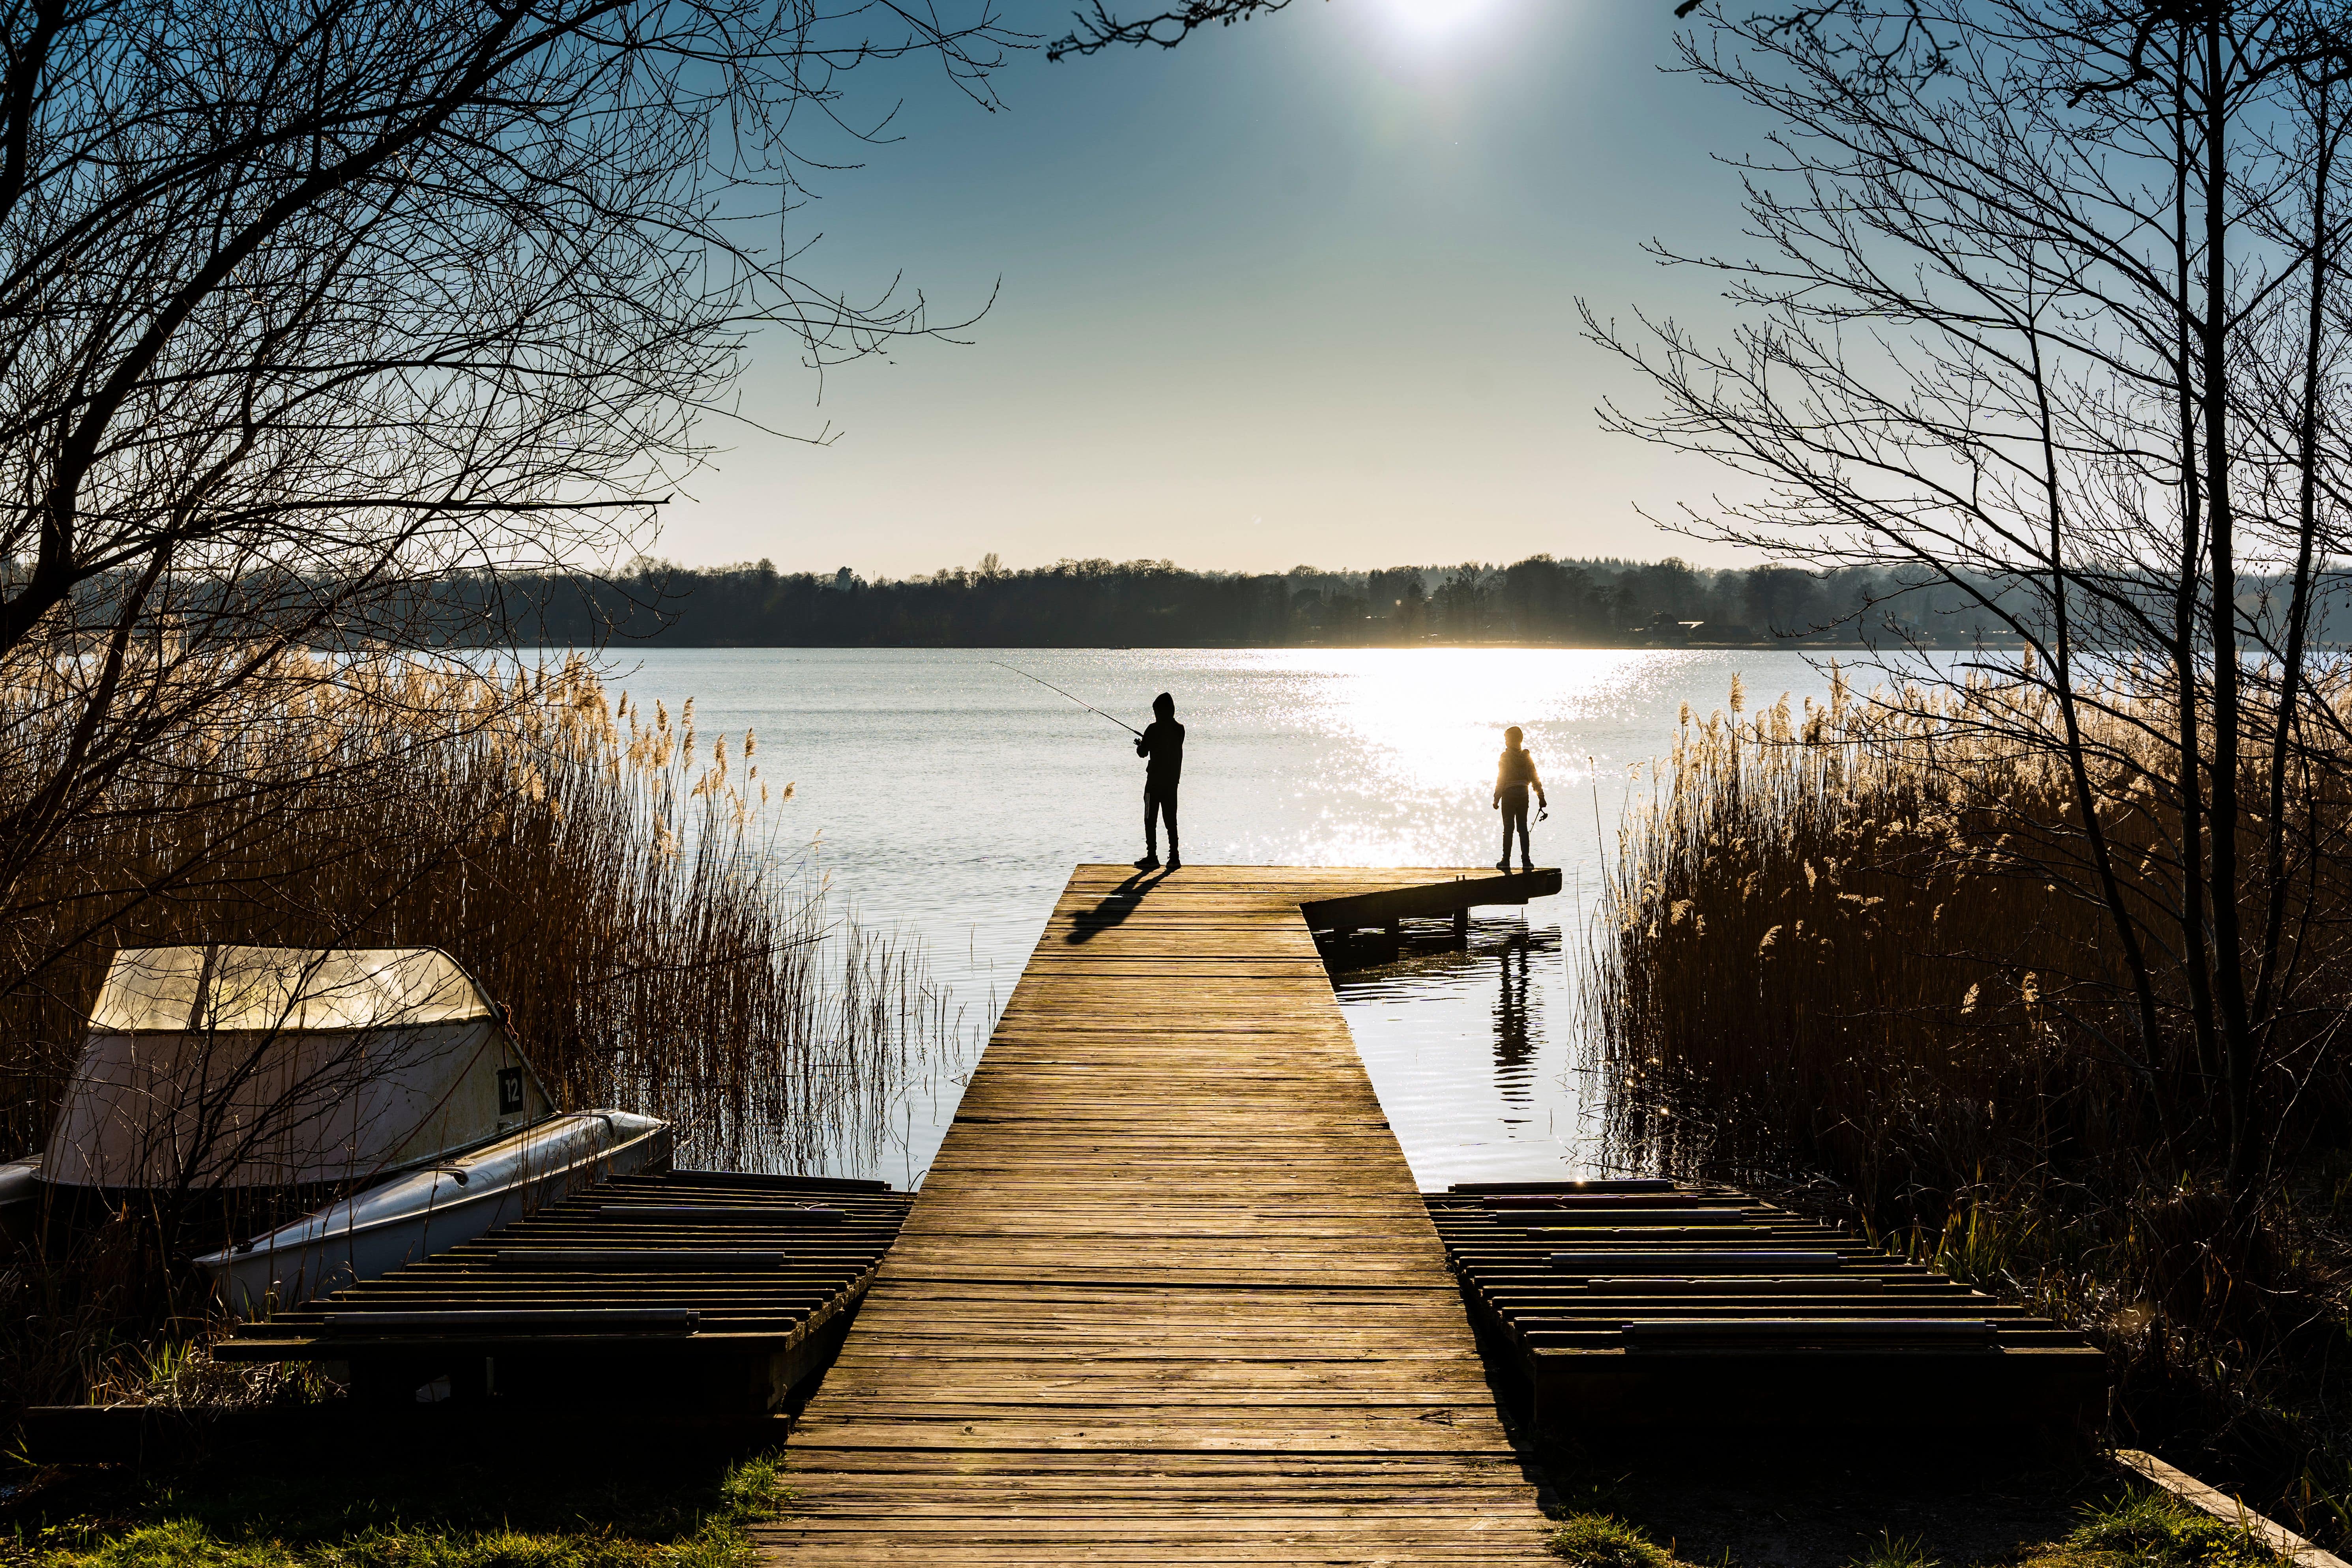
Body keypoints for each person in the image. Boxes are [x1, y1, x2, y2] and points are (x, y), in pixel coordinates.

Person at [1134, 692, 1184, 872]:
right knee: (1171, 820)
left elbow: (1143, 752)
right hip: (1172, 782)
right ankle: (1174, 857)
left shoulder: (1152, 729)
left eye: (1156, 712)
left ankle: (1152, 856)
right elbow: (1166, 745)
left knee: (1150, 819)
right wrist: (1148, 742)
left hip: (1154, 782)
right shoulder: (1180, 729)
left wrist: (1141, 744)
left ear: (1160, 712)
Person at [1492, 726, 1545, 872]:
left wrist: (1497, 798)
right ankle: (1526, 861)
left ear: (1512, 741)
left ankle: (1506, 861)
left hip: (1509, 796)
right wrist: (1541, 797)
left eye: (1507, 740)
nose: (1506, 743)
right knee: (1523, 828)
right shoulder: (1526, 756)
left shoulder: (1505, 757)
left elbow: (1501, 779)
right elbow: (1535, 778)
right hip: (1523, 794)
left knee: (1508, 829)